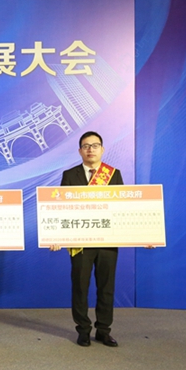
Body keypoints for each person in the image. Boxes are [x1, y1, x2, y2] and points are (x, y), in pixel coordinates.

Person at [50, 131, 122, 347]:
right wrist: (56, 236)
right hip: (80, 241)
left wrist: (144, 235)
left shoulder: (113, 174)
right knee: (80, 286)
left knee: (106, 287)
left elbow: (122, 207)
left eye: (95, 145)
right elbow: (61, 208)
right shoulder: (69, 175)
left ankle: (103, 330)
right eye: (86, 146)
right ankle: (82, 329)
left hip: (107, 241)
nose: (91, 149)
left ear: (102, 149)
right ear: (80, 151)